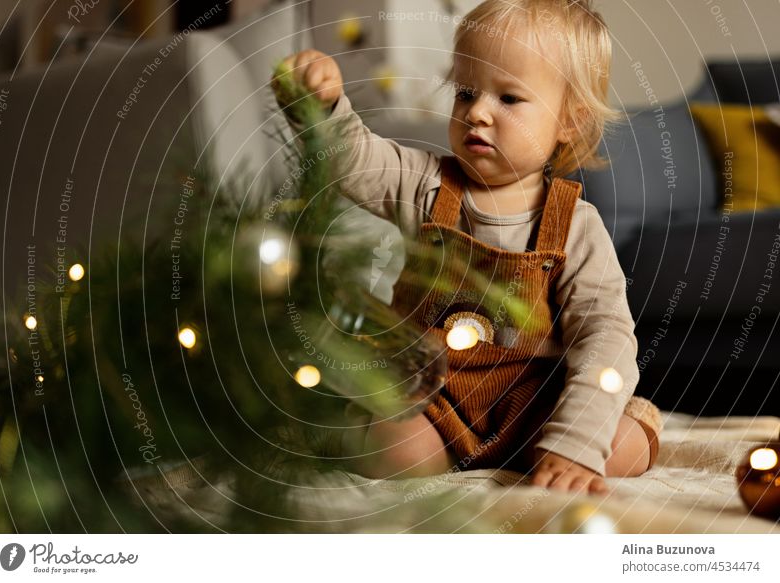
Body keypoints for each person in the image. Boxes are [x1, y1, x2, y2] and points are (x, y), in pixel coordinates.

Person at [271, 0, 661, 495]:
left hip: (532, 399)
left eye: (509, 99)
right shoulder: (426, 184)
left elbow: (605, 333)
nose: (476, 112)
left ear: (571, 122)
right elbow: (356, 163)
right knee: (395, 453)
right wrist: (321, 107)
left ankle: (556, 449)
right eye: (466, 92)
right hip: (430, 394)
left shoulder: (576, 226)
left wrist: (576, 441)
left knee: (625, 445)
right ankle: (341, 426)